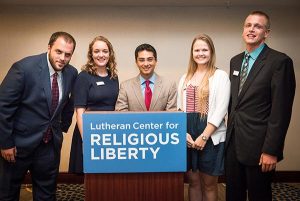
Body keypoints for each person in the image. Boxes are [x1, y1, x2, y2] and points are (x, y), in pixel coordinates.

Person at [225, 11, 296, 201]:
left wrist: (271, 150)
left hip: (259, 147)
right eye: (248, 25)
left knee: (259, 195)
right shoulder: (235, 61)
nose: (251, 29)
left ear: (267, 33)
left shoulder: (279, 62)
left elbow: (281, 111)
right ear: (243, 30)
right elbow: (235, 103)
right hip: (233, 143)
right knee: (233, 194)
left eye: (258, 26)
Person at [0, 31, 78, 200]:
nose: (62, 58)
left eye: (68, 54)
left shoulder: (72, 73)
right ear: (49, 48)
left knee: (47, 194)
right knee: (7, 193)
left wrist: (61, 127)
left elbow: (69, 102)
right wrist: (5, 142)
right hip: (17, 146)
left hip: (49, 146)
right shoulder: (24, 68)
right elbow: (3, 106)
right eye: (59, 52)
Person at [177, 34, 230, 201]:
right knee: (193, 182)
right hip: (188, 136)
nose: (200, 53)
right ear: (192, 53)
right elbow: (179, 109)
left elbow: (221, 109)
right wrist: (183, 133)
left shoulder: (220, 76)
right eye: (197, 50)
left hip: (210, 136)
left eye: (204, 50)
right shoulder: (184, 78)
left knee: (209, 184)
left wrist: (204, 136)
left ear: (211, 52)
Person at [69, 36, 119, 174]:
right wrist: (87, 139)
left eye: (105, 51)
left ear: (110, 53)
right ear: (91, 54)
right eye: (96, 51)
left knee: (108, 174)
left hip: (109, 133)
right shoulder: (83, 77)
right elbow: (79, 111)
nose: (101, 55)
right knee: (92, 176)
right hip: (89, 132)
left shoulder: (113, 76)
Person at [115, 43, 177, 111]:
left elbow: (172, 115)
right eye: (141, 60)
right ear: (136, 62)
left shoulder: (169, 85)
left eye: (150, 59)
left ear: (156, 61)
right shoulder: (125, 86)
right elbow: (121, 114)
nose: (146, 64)